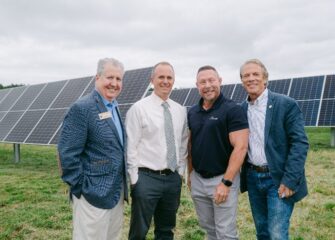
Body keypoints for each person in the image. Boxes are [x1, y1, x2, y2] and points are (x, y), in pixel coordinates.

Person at [58, 58, 128, 240]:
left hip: (115, 193)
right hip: (92, 195)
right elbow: (67, 153)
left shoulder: (114, 107)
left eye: (119, 79)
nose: (114, 83)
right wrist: (82, 188)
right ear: (97, 78)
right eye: (109, 77)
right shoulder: (82, 108)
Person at [239, 59, 309, 240]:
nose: (251, 78)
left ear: (265, 79)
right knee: (262, 231)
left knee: (277, 233)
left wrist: (291, 179)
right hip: (253, 178)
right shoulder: (241, 109)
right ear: (242, 81)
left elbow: (300, 143)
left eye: (255, 74)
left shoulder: (285, 104)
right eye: (246, 75)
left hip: (278, 178)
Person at [125, 61, 188, 240]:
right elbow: (131, 146)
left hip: (172, 179)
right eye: (161, 77)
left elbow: (183, 142)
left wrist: (180, 172)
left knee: (166, 230)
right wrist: (135, 179)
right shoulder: (138, 109)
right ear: (152, 80)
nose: (165, 81)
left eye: (169, 77)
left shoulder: (179, 110)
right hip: (146, 178)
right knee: (139, 231)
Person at [187, 65, 249, 240]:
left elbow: (241, 147)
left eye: (211, 80)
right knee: (209, 229)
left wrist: (226, 183)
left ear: (220, 81)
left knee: (225, 232)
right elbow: (191, 145)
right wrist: (190, 173)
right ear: (197, 85)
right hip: (198, 179)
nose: (207, 85)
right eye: (202, 82)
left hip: (222, 179)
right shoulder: (193, 112)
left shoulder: (232, 109)